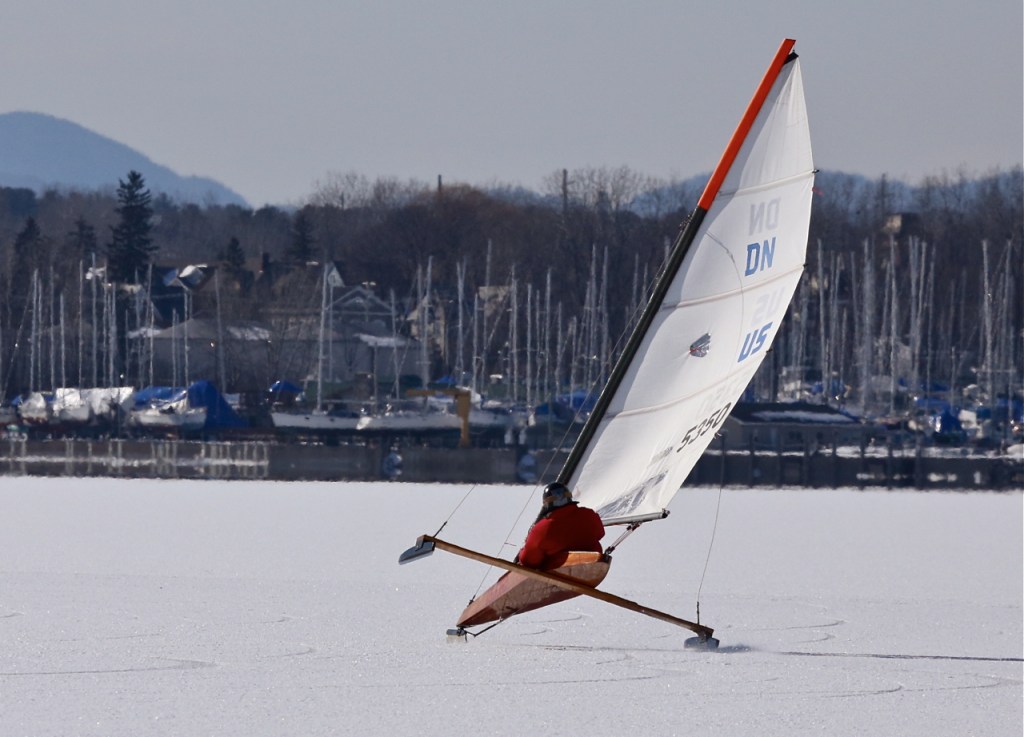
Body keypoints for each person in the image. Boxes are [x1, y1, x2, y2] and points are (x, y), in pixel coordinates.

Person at [516, 482, 605, 569]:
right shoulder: (589, 515)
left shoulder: (540, 529)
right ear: (569, 497)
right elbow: (600, 533)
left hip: (559, 574)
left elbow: (528, 561)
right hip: (593, 567)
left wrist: (521, 553)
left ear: (546, 504)